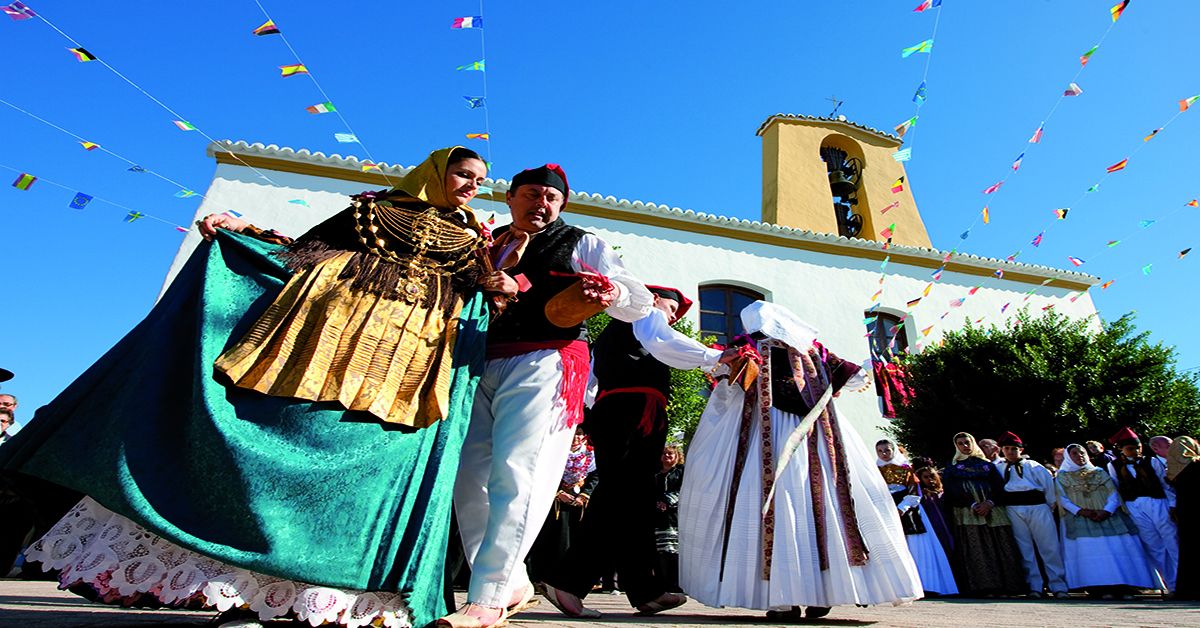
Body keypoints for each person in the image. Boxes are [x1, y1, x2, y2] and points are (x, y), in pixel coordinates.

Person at [1, 147, 492, 628]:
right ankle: (243, 593)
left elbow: (486, 292)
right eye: (464, 174)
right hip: (321, 344)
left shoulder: (473, 240)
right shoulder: (372, 212)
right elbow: (302, 254)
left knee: (363, 478)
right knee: (284, 446)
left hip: (409, 367)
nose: (472, 186)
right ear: (434, 173)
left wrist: (505, 289)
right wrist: (245, 232)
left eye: (479, 180)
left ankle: (323, 599)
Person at [446, 164, 654, 628]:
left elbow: (637, 300)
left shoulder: (581, 243)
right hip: (479, 360)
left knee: (519, 470)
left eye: (551, 197)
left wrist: (607, 291)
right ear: (510, 198)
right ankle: (511, 583)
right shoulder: (487, 241)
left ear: (562, 205)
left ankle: (489, 596)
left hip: (548, 357)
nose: (541, 203)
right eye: (531, 194)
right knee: (470, 479)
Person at [679, 301, 921, 621]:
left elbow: (725, 379)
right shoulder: (811, 349)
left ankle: (789, 599)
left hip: (774, 435)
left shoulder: (756, 346)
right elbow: (854, 376)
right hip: (810, 437)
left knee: (782, 506)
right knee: (817, 506)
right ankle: (819, 593)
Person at [541, 285, 727, 618]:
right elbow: (665, 341)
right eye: (672, 309)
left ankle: (645, 589)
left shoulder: (614, 333)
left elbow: (590, 383)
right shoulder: (645, 313)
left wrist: (595, 414)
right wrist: (715, 357)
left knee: (634, 501)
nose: (672, 318)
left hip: (620, 410)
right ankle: (567, 581)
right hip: (633, 412)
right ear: (654, 300)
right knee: (620, 496)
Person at [1055, 443, 1156, 598]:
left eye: (1082, 452)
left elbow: (1113, 492)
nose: (1080, 456)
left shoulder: (1099, 472)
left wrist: (1107, 510)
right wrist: (1081, 511)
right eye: (1074, 453)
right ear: (1068, 457)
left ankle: (1125, 585)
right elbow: (1062, 498)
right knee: (1090, 551)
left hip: (1108, 516)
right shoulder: (1062, 476)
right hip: (1081, 518)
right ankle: (1097, 587)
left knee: (1118, 548)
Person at [940, 432, 1026, 596]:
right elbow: (952, 491)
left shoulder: (988, 466)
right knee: (977, 548)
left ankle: (1008, 586)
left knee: (1001, 546)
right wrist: (973, 504)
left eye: (967, 442)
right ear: (956, 446)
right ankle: (984, 587)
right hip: (968, 512)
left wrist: (989, 503)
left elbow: (999, 487)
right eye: (960, 443)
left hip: (993, 511)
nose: (965, 446)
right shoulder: (952, 468)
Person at [876, 439, 958, 596]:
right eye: (880, 451)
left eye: (887, 450)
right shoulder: (875, 471)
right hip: (886, 510)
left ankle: (926, 584)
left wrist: (902, 508)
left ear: (894, 450)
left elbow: (915, 493)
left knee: (918, 547)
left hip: (909, 511)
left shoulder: (906, 469)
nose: (884, 454)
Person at [994, 431, 1068, 598]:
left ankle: (1058, 585)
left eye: (1014, 449)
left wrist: (1049, 505)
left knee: (1048, 546)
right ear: (1002, 450)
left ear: (1021, 450)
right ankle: (1034, 585)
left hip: (1037, 506)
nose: (1010, 452)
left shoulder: (1033, 466)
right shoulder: (999, 468)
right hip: (1013, 508)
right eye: (1007, 448)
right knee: (1024, 548)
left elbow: (1048, 487)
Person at [1107, 427, 1178, 593]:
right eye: (1131, 448)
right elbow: (1115, 487)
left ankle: (1183, 581)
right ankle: (1171, 584)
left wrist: (1172, 504)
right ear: (1121, 449)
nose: (1136, 451)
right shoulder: (1114, 466)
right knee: (1154, 545)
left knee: (1172, 540)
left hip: (1157, 502)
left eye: (1138, 447)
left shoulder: (1151, 461)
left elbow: (1164, 484)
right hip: (1134, 505)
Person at [525, 428, 600, 584]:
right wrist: (558, 492)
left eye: (579, 434)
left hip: (580, 503)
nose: (576, 437)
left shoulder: (590, 454)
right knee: (555, 538)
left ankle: (572, 578)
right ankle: (545, 576)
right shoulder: (556, 452)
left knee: (578, 539)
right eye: (573, 433)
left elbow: (595, 476)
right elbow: (545, 474)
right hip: (556, 503)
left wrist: (584, 494)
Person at [1167, 436, 1200, 600]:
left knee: (1187, 550)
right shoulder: (1196, 465)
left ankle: (1187, 589)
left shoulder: (1173, 468)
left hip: (1185, 511)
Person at [654, 444, 686, 593]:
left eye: (670, 454)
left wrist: (667, 501)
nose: (667, 456)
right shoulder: (655, 473)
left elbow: (684, 490)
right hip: (656, 516)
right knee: (660, 551)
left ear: (677, 456)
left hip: (675, 516)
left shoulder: (681, 472)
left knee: (673, 550)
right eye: (664, 454)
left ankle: (675, 583)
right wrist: (657, 502)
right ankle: (661, 583)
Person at [913, 464, 955, 568]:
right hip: (935, 529)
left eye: (932, 476)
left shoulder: (944, 492)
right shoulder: (921, 496)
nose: (930, 480)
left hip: (951, 526)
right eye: (926, 477)